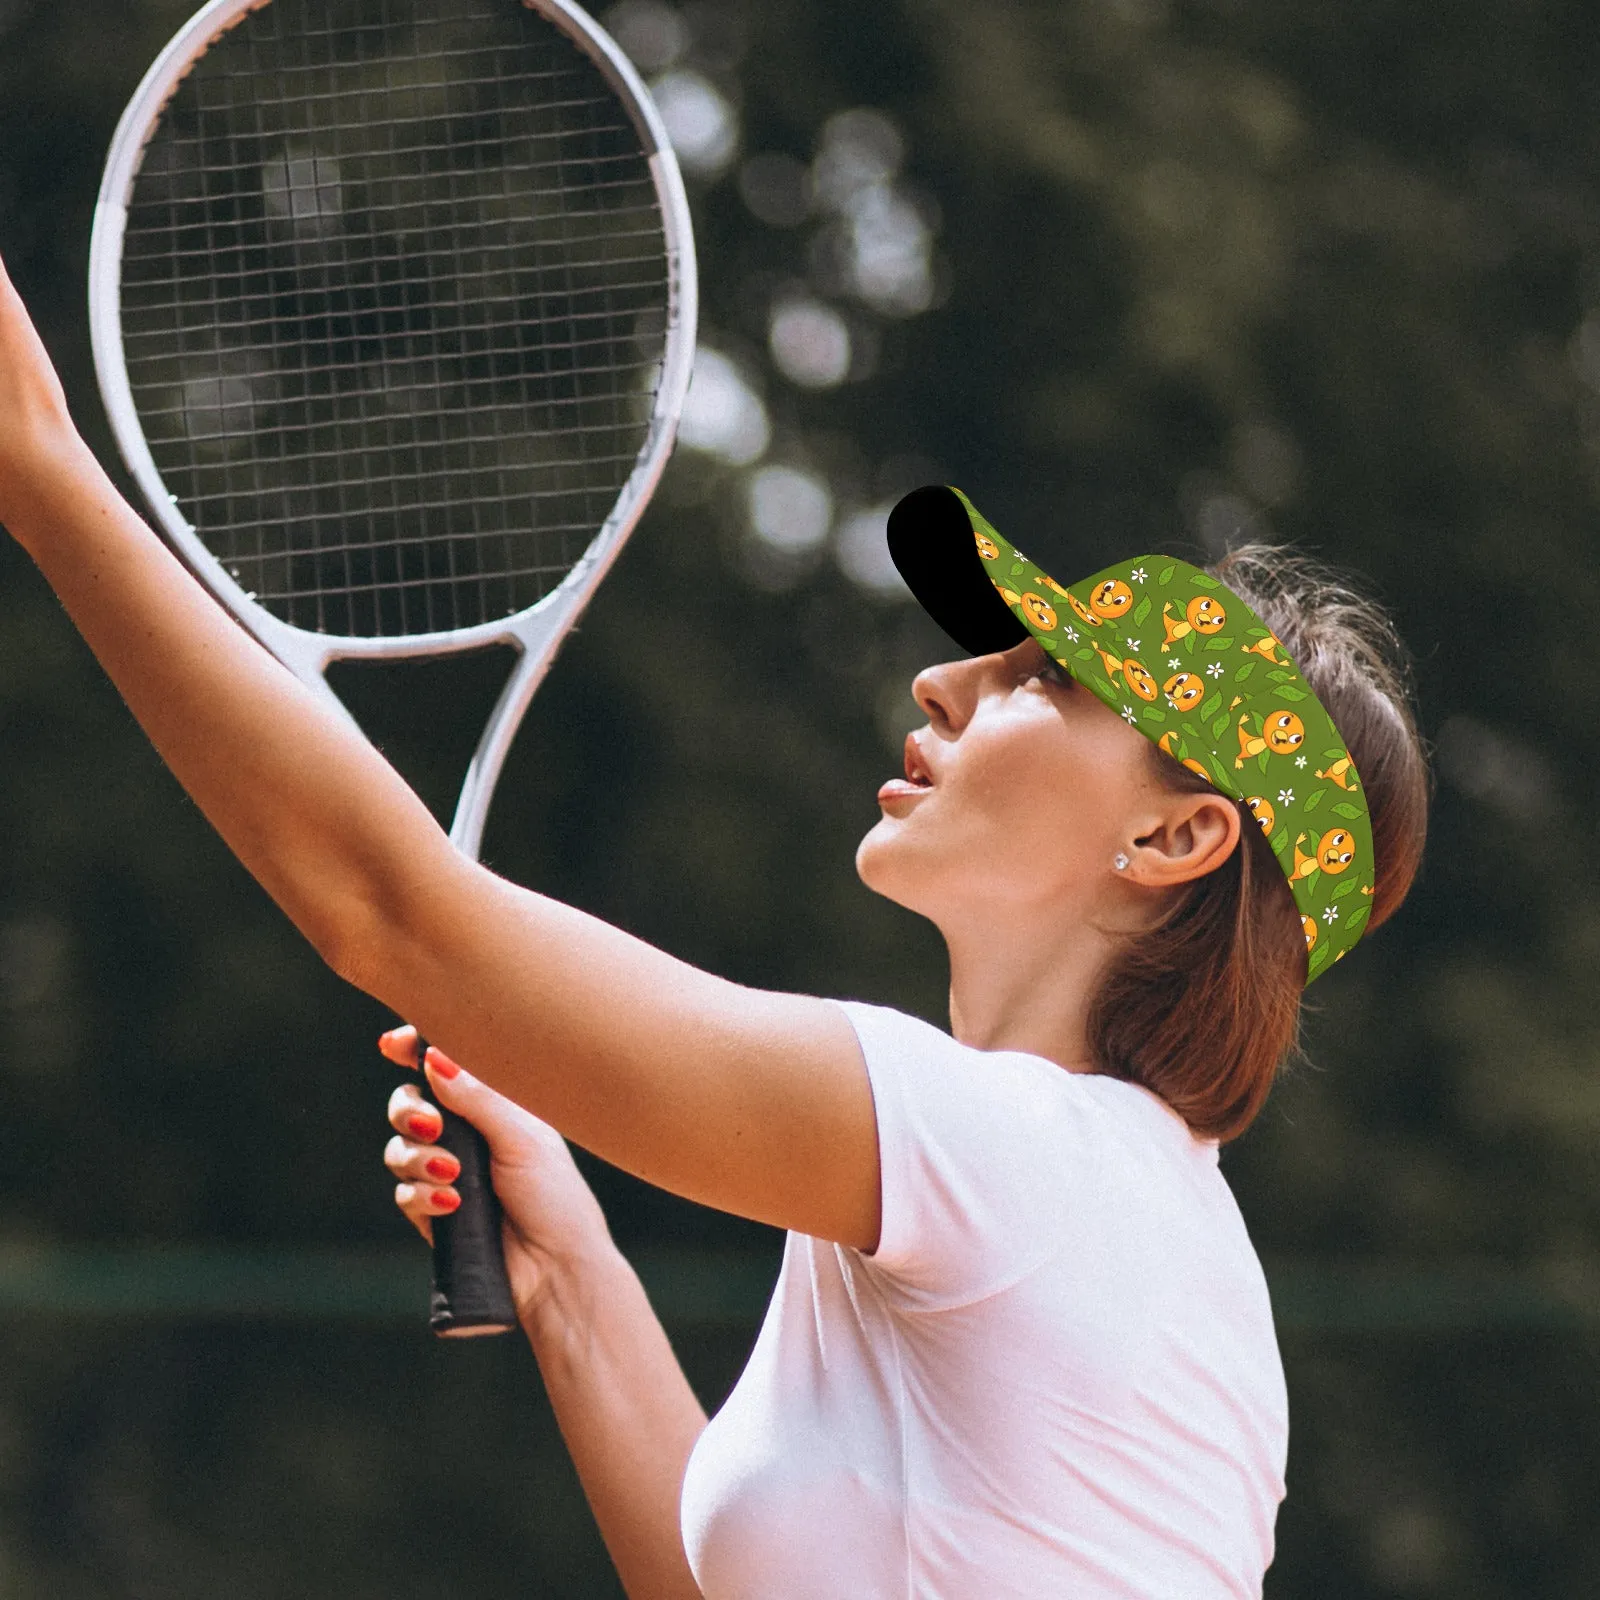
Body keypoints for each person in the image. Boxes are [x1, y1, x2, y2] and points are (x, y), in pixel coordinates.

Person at [0, 252, 1427, 1599]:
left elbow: (388, 909)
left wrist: (43, 467)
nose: (943, 685)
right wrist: (572, 1281)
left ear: (1177, 838)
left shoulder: (1007, 1159)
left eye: (1043, 680)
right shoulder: (1078, 1205)